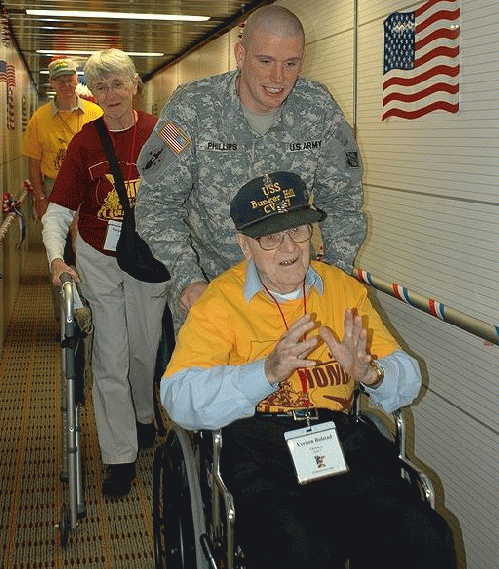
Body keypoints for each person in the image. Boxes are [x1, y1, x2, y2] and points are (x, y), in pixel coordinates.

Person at [162, 172, 457, 568]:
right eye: (270, 236)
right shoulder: (219, 302)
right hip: (258, 447)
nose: (288, 246)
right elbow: (177, 397)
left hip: (339, 438)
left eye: (298, 230)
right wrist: (264, 373)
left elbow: (408, 377)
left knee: (420, 537)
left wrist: (373, 376)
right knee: (292, 550)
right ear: (244, 246)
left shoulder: (343, 291)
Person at [135, 5, 366, 331]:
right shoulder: (195, 107)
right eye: (265, 62)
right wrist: (187, 279)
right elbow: (156, 206)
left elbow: (343, 202)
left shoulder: (318, 108)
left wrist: (335, 275)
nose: (278, 79)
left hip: (290, 298)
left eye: (291, 64)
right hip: (211, 295)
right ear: (240, 55)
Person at [41, 49, 167, 498]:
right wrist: (58, 258)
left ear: (134, 85)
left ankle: (143, 414)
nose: (110, 94)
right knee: (110, 354)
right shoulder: (85, 141)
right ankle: (120, 457)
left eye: (117, 84)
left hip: (151, 257)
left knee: (143, 348)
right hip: (98, 256)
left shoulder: (161, 133)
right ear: (89, 92)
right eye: (100, 86)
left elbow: (192, 190)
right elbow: (57, 212)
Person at [22, 58, 102, 220]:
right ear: (51, 82)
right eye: (59, 80)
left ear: (77, 79)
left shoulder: (96, 113)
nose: (65, 85)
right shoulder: (39, 118)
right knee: (57, 240)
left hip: (90, 187)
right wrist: (40, 198)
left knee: (85, 239)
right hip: (54, 187)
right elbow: (34, 163)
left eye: (69, 79)